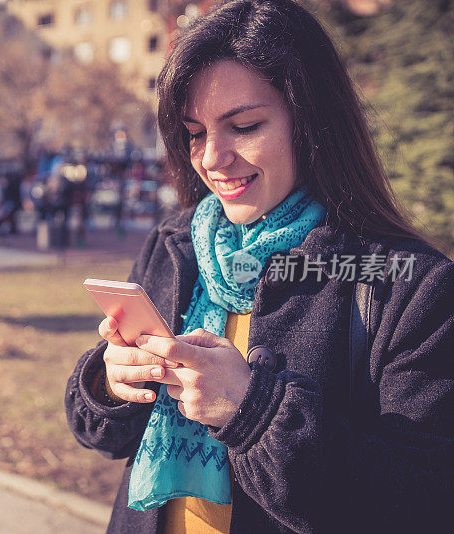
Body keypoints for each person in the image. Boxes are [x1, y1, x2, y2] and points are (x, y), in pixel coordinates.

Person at [64, 1, 454, 533]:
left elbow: (424, 503)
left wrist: (251, 410)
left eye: (243, 126)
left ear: (314, 121)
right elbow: (99, 435)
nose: (210, 158)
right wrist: (111, 383)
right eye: (195, 132)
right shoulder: (175, 244)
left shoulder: (408, 283)